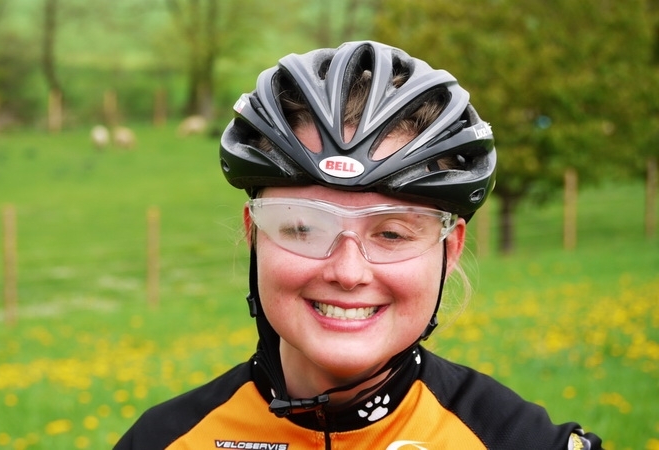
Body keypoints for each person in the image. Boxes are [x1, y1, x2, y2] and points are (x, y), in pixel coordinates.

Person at [114, 41, 602, 449]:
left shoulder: (518, 441)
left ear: (450, 251)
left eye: (391, 233)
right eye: (303, 228)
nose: (347, 273)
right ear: (254, 235)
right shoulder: (163, 441)